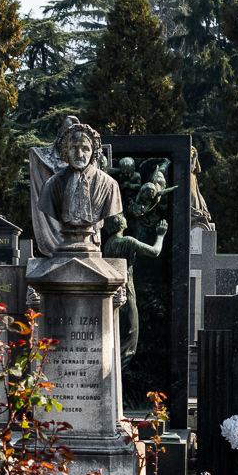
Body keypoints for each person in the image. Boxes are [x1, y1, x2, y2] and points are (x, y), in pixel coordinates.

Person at [39, 116, 122, 251]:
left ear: (93, 151)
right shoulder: (50, 185)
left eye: (85, 148)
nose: (79, 154)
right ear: (65, 150)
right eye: (74, 148)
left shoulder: (110, 185)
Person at [102, 214, 168, 365]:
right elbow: (155, 251)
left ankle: (114, 371)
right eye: (122, 216)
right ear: (120, 222)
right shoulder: (128, 241)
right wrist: (160, 235)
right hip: (127, 293)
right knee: (130, 340)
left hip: (115, 294)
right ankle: (116, 372)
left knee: (120, 335)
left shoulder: (108, 244)